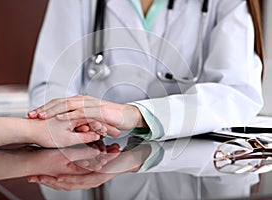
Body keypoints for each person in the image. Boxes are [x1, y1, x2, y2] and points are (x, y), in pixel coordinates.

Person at [28, 0, 264, 141]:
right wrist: (74, 122)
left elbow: (236, 93)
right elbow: (51, 84)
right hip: (97, 155)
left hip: (189, 165)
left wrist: (136, 114)